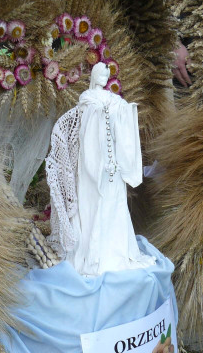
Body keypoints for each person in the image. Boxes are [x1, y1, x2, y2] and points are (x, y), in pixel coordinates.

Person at [47, 62, 155, 275]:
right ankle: (89, 253)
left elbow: (122, 125)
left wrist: (124, 111)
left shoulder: (115, 102)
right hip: (89, 165)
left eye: (107, 75)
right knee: (90, 204)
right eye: (102, 75)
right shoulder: (86, 101)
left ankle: (112, 251)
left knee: (113, 204)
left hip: (111, 167)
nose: (105, 79)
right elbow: (77, 129)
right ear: (95, 76)